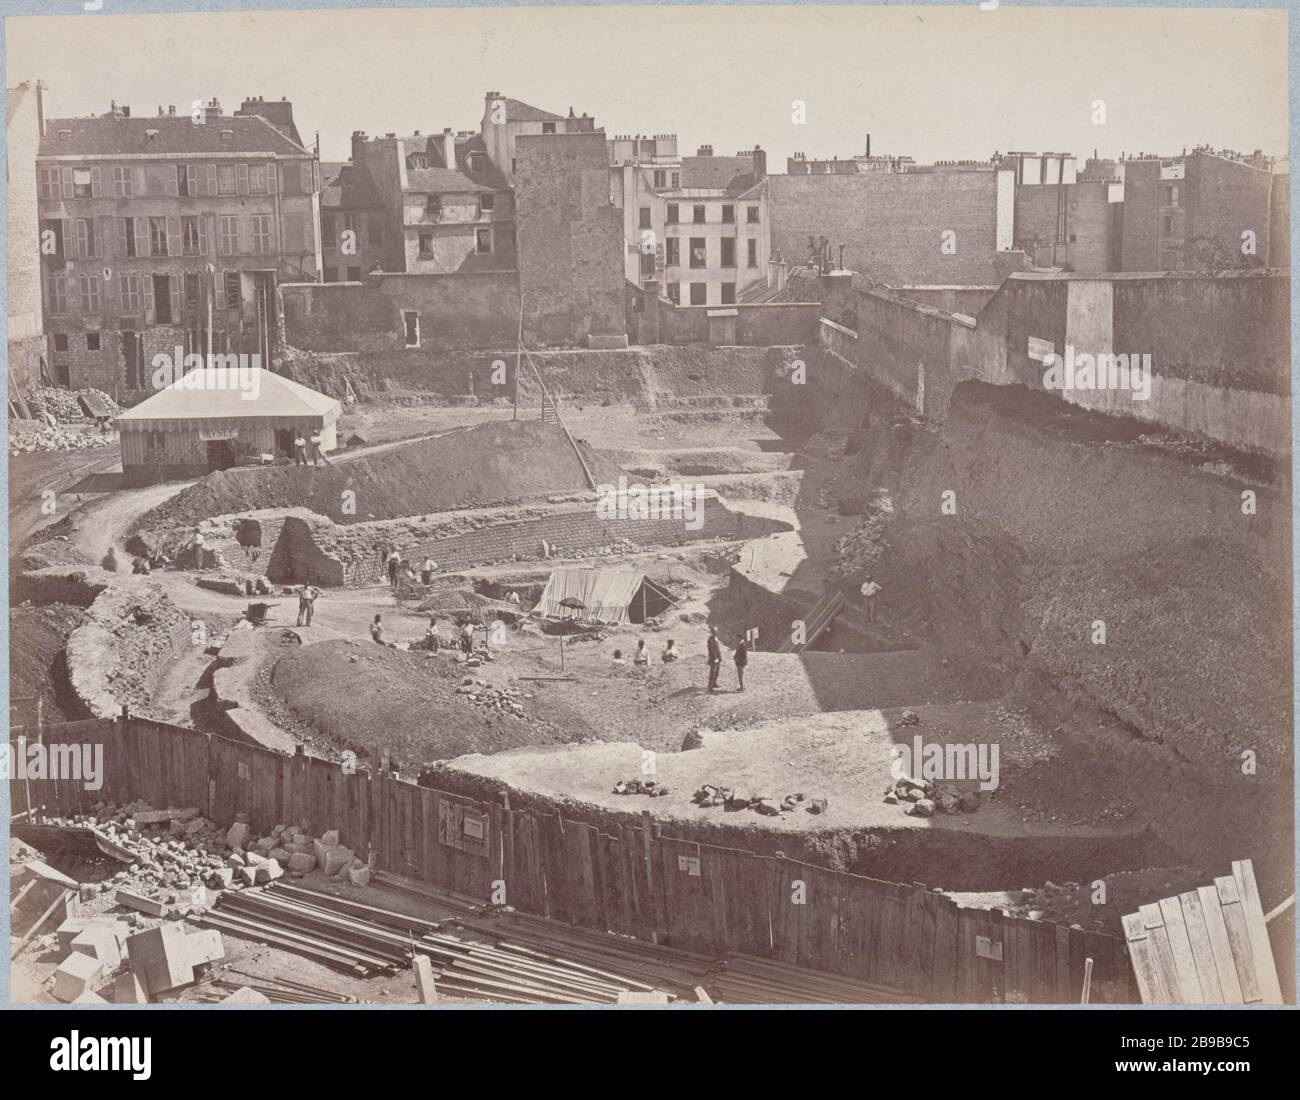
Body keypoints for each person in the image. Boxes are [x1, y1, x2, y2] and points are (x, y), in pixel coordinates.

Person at [706, 626, 722, 691]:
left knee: (717, 671)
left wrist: (720, 657)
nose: (715, 633)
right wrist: (715, 658)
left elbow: (718, 649)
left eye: (716, 631)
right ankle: (710, 686)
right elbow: (711, 650)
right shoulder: (710, 640)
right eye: (714, 632)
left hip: (718, 658)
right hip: (713, 659)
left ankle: (714, 683)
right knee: (713, 672)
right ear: (712, 632)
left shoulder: (716, 638)